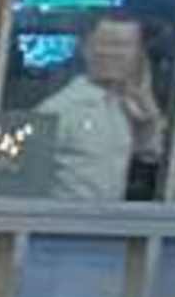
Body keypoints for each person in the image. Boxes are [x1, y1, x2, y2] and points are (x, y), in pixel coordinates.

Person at [24, 10, 165, 204]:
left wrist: (148, 112)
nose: (114, 54)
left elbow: (152, 154)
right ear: (86, 49)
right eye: (106, 45)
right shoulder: (58, 110)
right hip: (62, 225)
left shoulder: (127, 106)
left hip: (109, 224)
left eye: (124, 46)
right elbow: (25, 182)